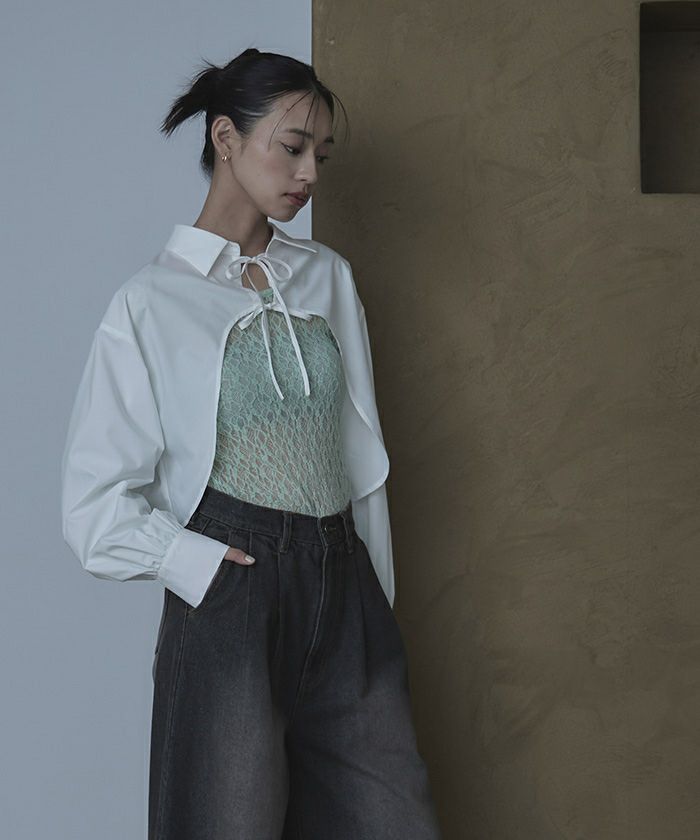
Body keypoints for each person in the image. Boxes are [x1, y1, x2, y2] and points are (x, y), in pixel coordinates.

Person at [60, 48, 442, 840]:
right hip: (231, 588)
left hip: (345, 586)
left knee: (392, 820)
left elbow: (362, 461)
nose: (309, 173)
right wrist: (192, 563)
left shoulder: (327, 278)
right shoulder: (150, 302)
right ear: (226, 138)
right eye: (292, 147)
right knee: (224, 824)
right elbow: (92, 505)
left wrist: (373, 602)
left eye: (321, 155)